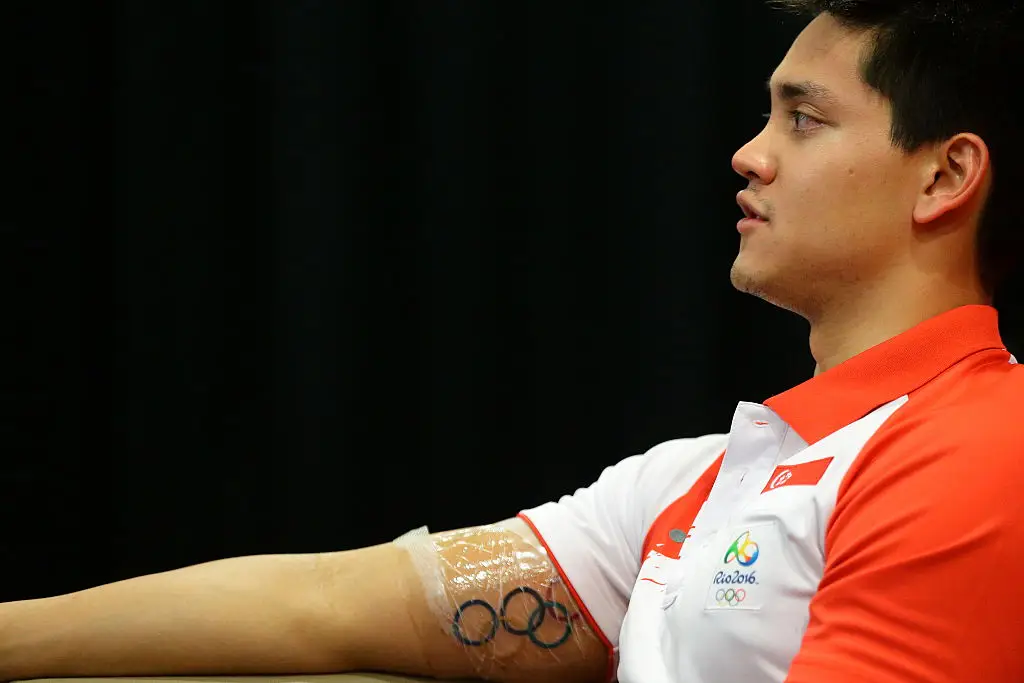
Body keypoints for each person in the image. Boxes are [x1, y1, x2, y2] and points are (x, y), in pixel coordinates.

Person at [3, 1, 1023, 681]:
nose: (748, 155)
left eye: (802, 120)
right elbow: (330, 602)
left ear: (944, 176)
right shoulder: (700, 481)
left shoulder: (986, 448)